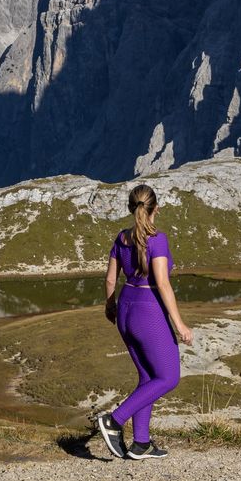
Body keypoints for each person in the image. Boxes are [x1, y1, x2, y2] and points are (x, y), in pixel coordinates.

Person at [94, 183, 193, 460]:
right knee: (169, 377)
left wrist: (110, 305)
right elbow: (162, 284)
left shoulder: (121, 238)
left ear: (131, 207)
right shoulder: (157, 239)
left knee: (148, 377)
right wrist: (180, 324)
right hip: (148, 310)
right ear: (155, 209)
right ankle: (114, 420)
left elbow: (111, 278)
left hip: (125, 308)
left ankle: (141, 443)